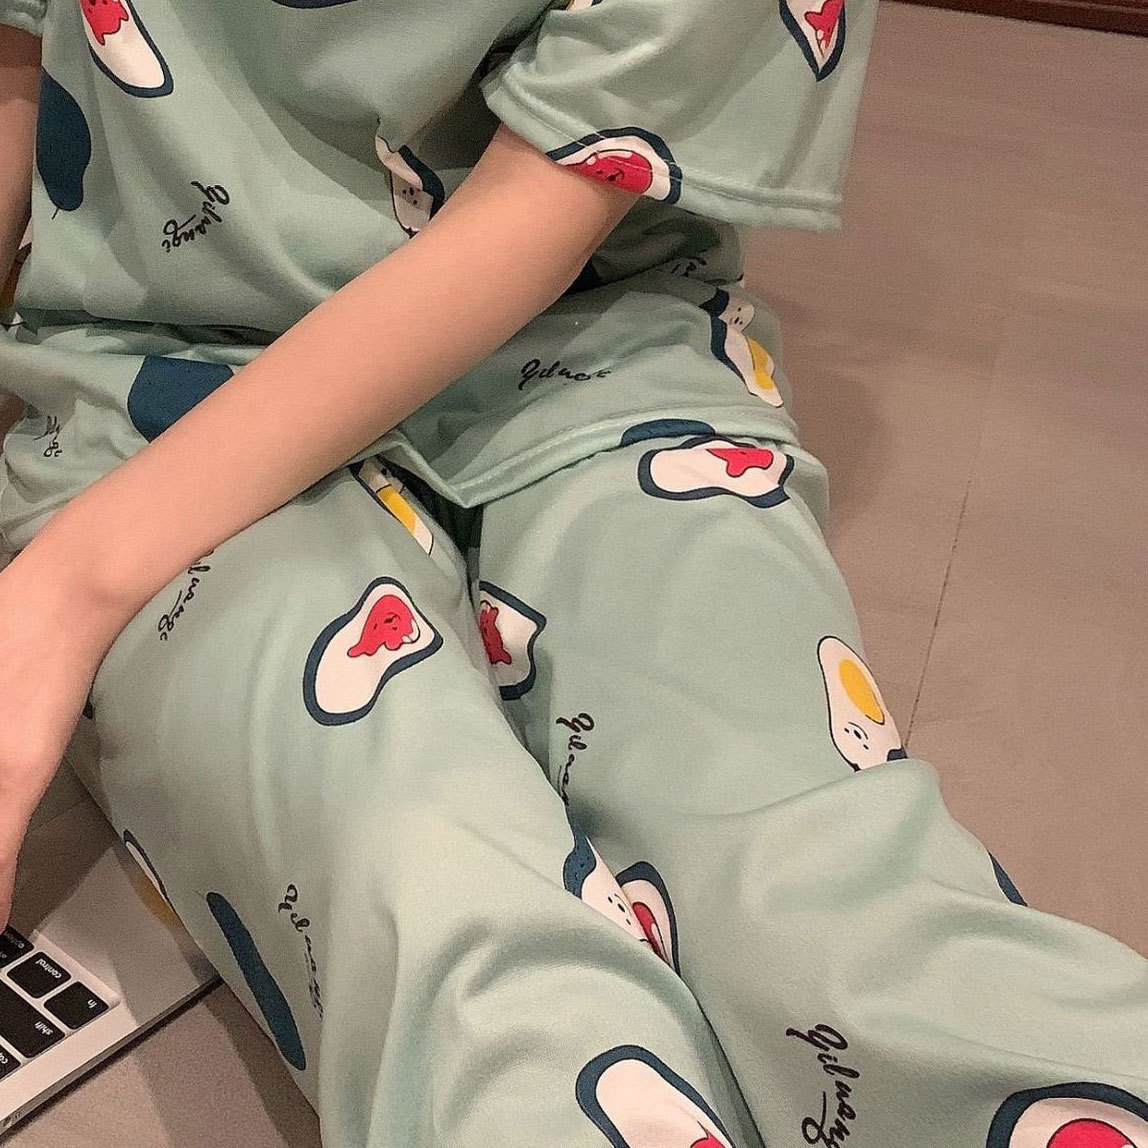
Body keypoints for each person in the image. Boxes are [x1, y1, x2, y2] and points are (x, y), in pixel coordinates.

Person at [1, 1, 1145, 1145]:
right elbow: (19, 65)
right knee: (436, 904)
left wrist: (62, 593)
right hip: (149, 388)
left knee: (826, 910)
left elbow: (546, 203)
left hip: (595, 356)